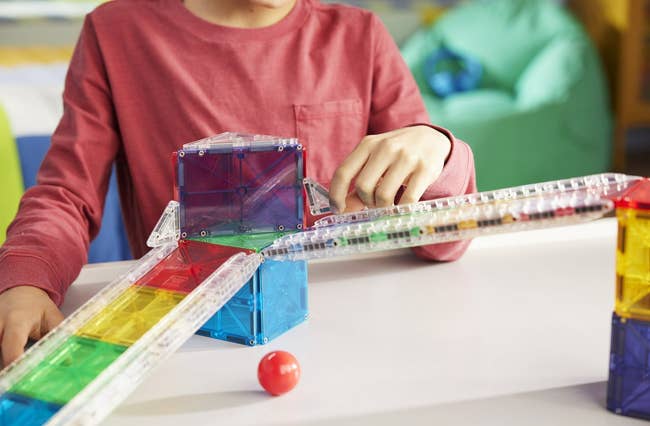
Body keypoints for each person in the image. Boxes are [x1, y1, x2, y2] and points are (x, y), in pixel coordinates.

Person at [0, 0, 476, 365]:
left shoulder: (360, 36)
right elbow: (66, 194)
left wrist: (439, 148)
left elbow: (442, 236)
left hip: (352, 339)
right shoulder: (117, 32)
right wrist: (27, 279)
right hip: (193, 342)